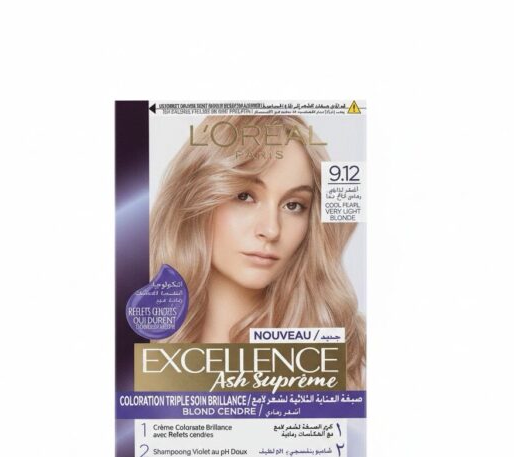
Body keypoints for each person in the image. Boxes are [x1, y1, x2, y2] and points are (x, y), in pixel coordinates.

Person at [150, 115, 365, 389]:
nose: (271, 230)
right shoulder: (134, 345)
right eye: (244, 196)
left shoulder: (341, 357)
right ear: (196, 199)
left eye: (293, 205)